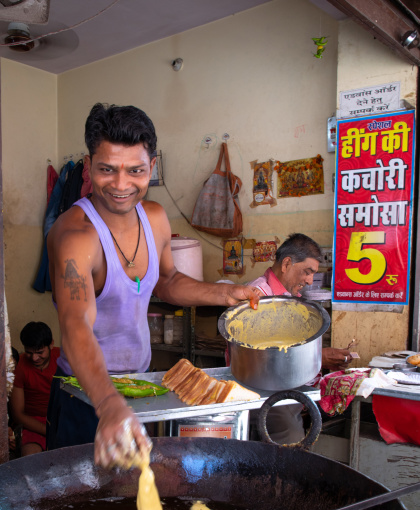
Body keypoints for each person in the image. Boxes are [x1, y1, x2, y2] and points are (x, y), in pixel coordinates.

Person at [46, 102, 261, 468]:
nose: (121, 185)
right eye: (107, 170)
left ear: (152, 167)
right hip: (85, 396)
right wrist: (110, 404)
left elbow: (167, 281)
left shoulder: (155, 218)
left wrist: (224, 293)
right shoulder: (75, 236)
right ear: (88, 166)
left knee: (134, 505)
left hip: (142, 387)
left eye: (135, 171)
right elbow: (74, 325)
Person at [247, 233, 354, 443]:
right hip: (265, 392)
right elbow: (261, 354)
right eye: (307, 272)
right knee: (291, 445)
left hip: (287, 387)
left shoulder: (289, 298)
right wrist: (317, 357)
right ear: (287, 264)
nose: (310, 280)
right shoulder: (259, 295)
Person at [10, 322, 60, 456]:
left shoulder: (62, 358)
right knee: (31, 461)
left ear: (51, 345)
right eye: (29, 352)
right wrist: (48, 431)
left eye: (40, 352)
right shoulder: (19, 366)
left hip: (60, 419)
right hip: (33, 424)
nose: (34, 358)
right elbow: (18, 414)